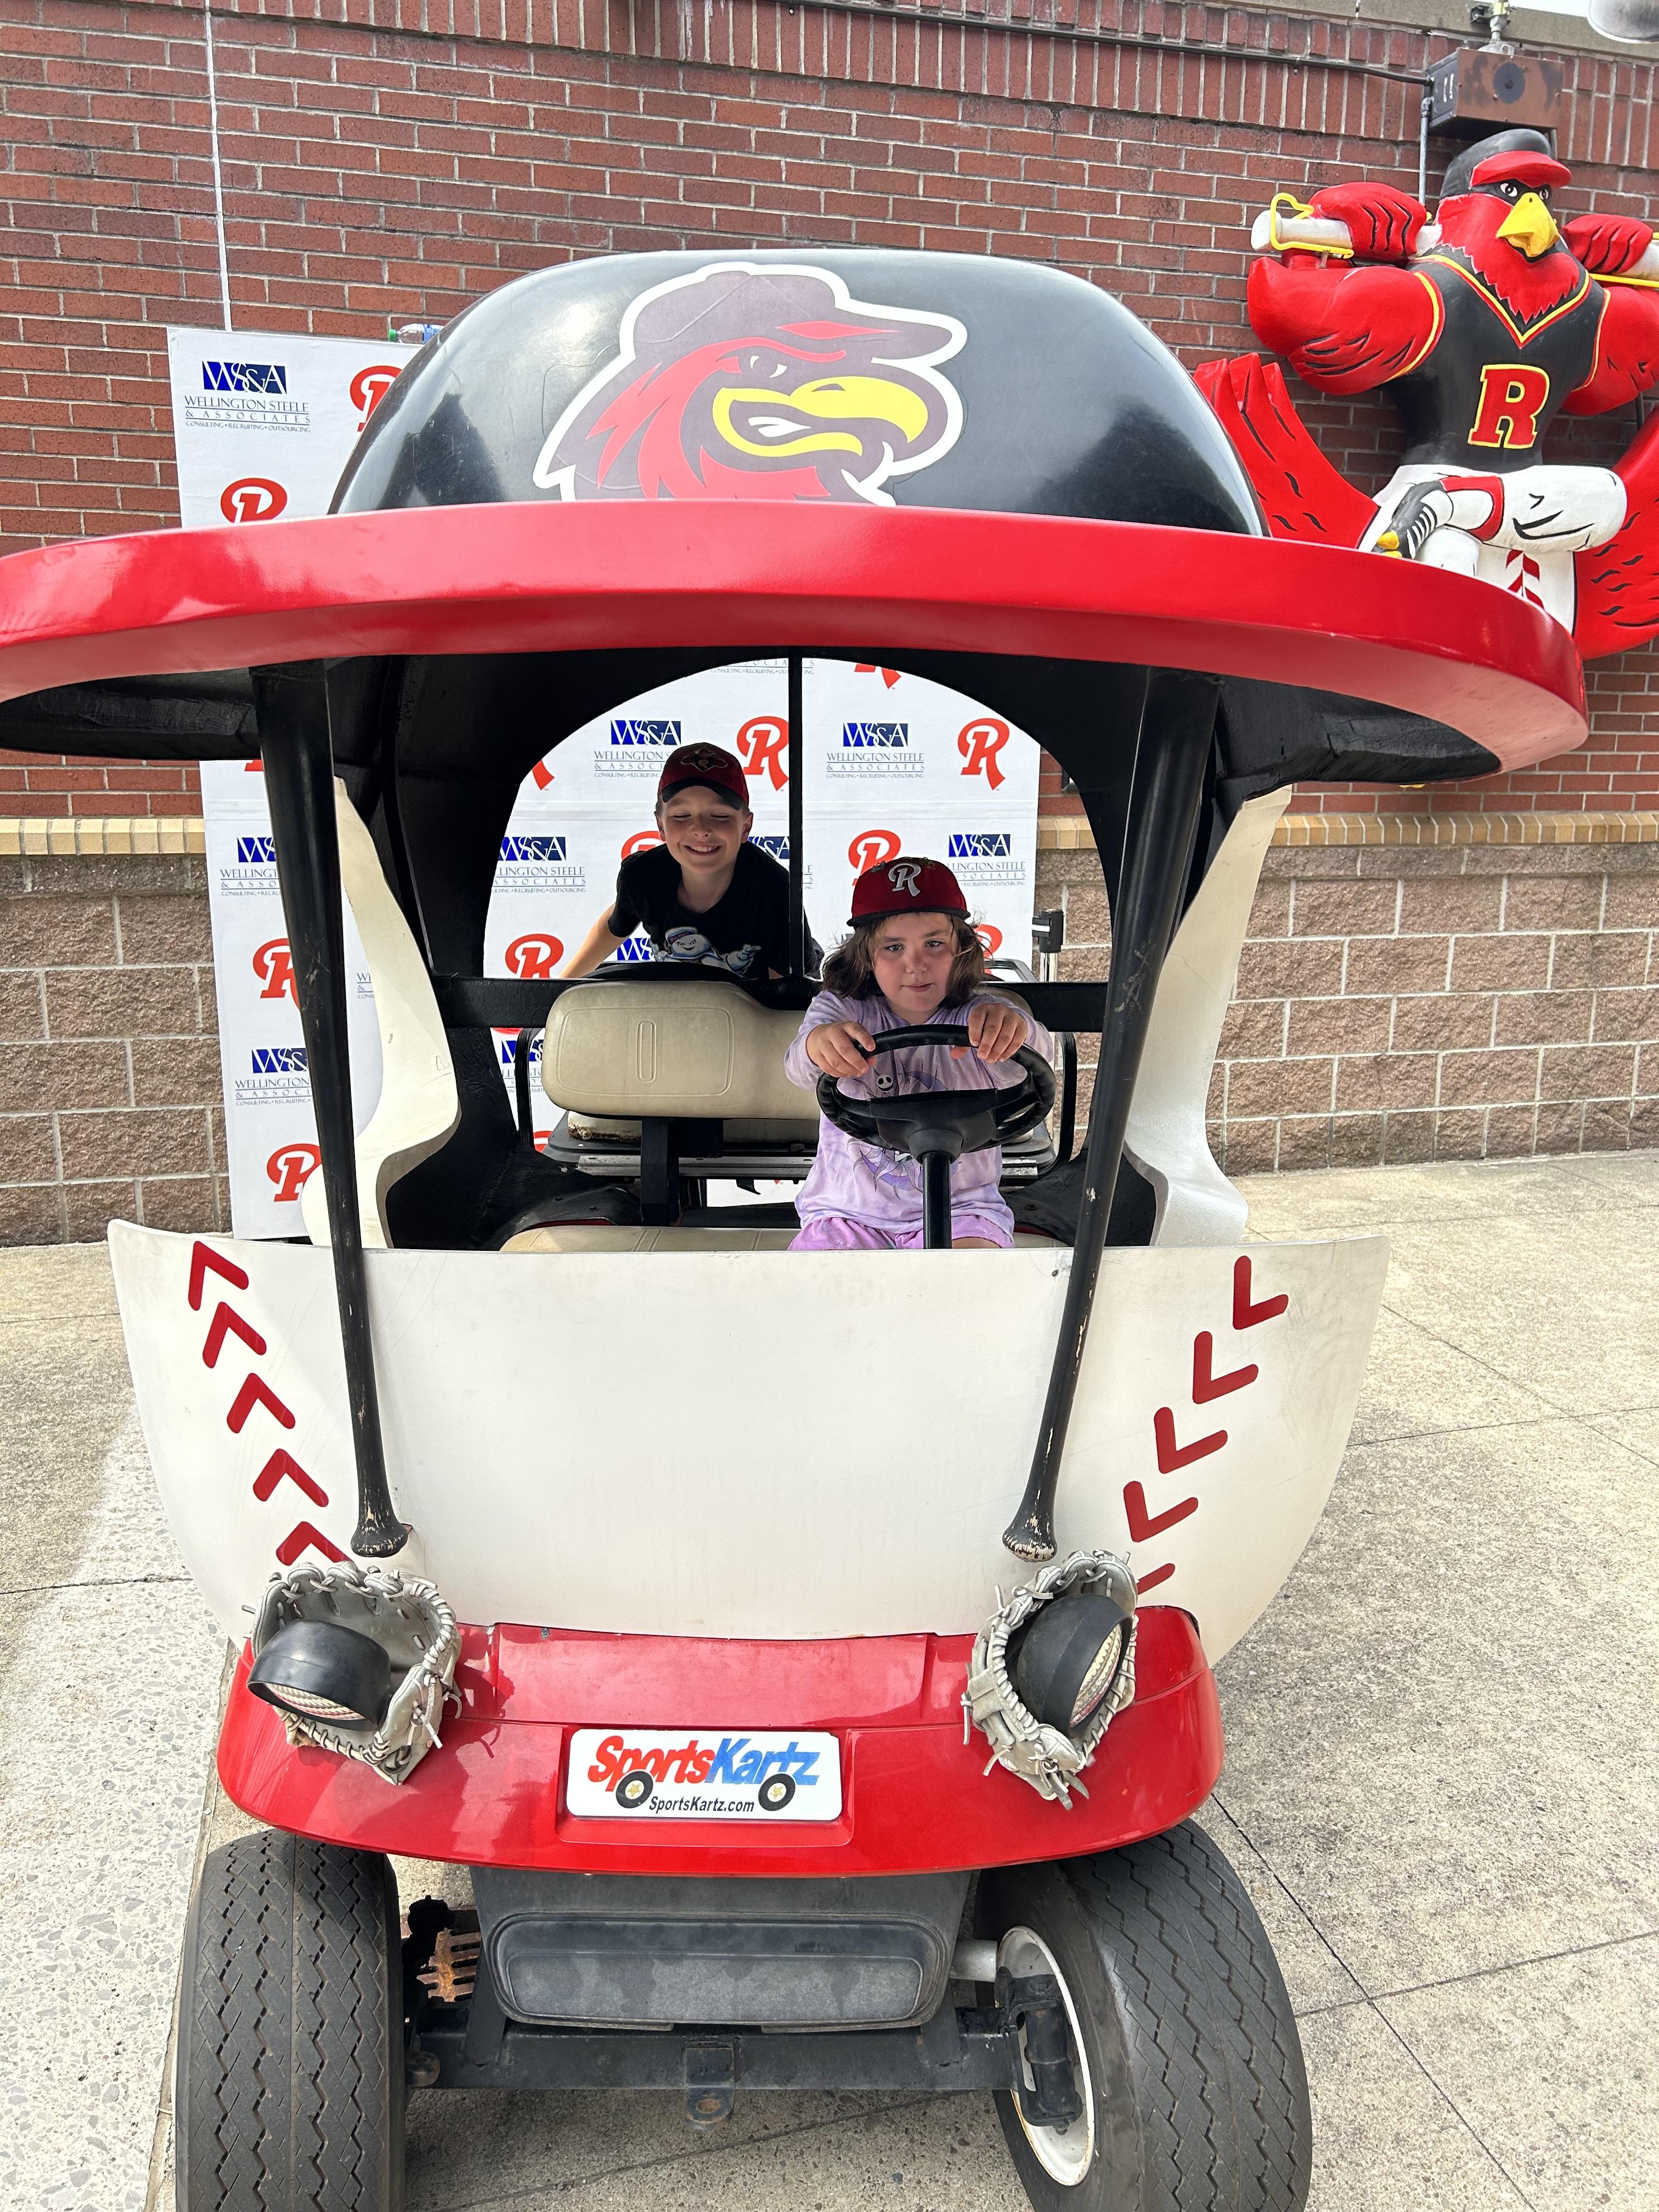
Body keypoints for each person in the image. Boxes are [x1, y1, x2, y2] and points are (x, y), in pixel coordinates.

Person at [785, 856, 1052, 1250]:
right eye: (894, 947)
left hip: (963, 1210)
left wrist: (1013, 1030)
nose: (916, 965)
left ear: (961, 948)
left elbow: (1038, 1055)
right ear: (865, 956)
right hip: (847, 1212)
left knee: (967, 1287)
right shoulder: (843, 1009)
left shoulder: (982, 1016)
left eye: (933, 944)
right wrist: (820, 1044)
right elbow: (799, 1067)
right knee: (818, 1298)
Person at [561, 741, 796, 978]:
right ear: (661, 826)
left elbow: (785, 994)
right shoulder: (641, 876)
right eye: (682, 815)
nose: (701, 829)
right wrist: (559, 987)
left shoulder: (775, 889)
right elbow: (614, 926)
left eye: (720, 816)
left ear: (746, 827)